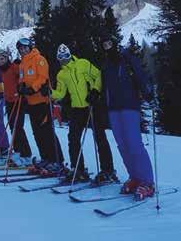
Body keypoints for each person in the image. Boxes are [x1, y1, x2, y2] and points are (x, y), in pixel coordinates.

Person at [52, 44, 117, 184]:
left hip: (91, 106)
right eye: (60, 58)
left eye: (66, 56)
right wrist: (50, 93)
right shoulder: (61, 74)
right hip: (76, 109)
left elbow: (98, 75)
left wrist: (95, 91)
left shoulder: (83, 63)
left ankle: (108, 170)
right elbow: (61, 93)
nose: (63, 60)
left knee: (99, 137)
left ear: (70, 55)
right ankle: (78, 170)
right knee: (73, 138)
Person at [101, 34, 155, 201]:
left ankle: (147, 182)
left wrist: (147, 92)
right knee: (122, 145)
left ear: (115, 42)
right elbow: (105, 86)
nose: (107, 46)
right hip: (113, 108)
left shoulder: (127, 58)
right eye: (104, 44)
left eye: (109, 42)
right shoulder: (107, 64)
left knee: (134, 144)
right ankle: (135, 177)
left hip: (129, 105)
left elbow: (140, 75)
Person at [17, 38, 64, 175]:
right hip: (31, 103)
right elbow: (22, 78)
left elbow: (43, 77)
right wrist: (21, 86)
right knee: (37, 132)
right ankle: (45, 158)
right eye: (20, 49)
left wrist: (33, 88)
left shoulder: (39, 59)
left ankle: (56, 160)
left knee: (47, 131)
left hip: (42, 101)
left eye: (25, 48)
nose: (23, 50)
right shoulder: (22, 64)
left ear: (30, 47)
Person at [0, 49, 32, 165]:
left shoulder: (14, 67)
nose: (0, 61)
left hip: (18, 100)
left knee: (18, 127)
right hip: (9, 101)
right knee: (12, 127)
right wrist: (0, 92)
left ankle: (26, 154)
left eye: (2, 59)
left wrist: (21, 87)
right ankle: (18, 152)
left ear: (7, 58)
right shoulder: (0, 70)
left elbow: (23, 77)